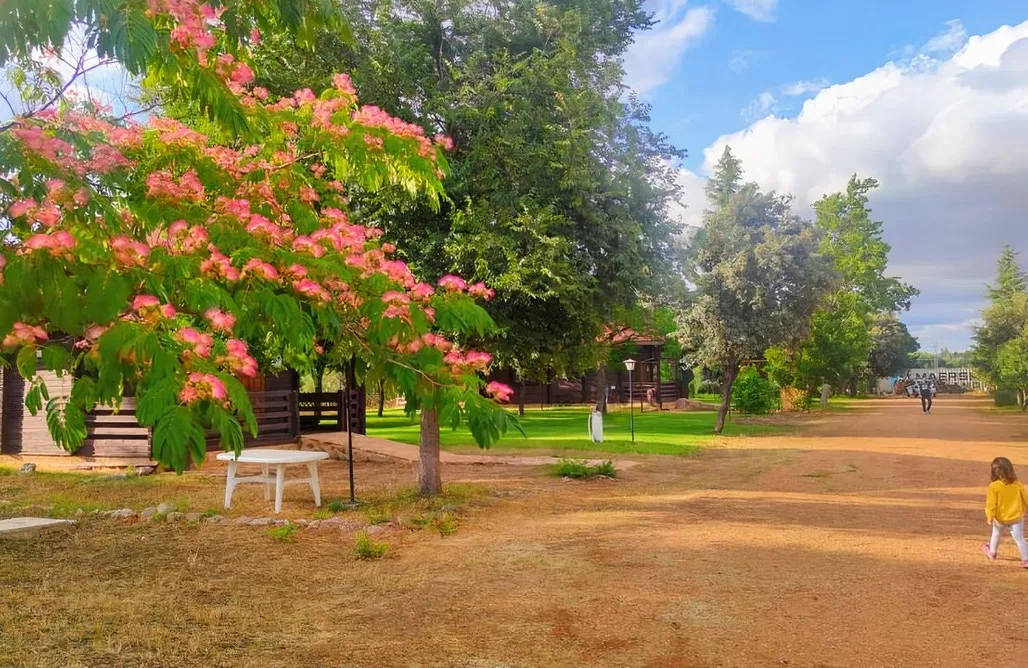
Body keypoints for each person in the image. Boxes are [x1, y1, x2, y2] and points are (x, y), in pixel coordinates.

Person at [982, 457, 1028, 568]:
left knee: (996, 534)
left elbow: (991, 504)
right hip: (1016, 518)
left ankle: (992, 552)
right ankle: (1026, 559)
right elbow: (1026, 498)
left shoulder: (993, 486)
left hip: (1000, 518)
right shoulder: (1017, 484)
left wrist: (990, 516)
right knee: (1019, 538)